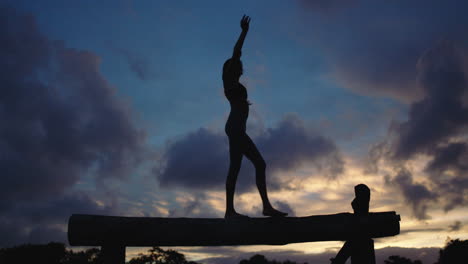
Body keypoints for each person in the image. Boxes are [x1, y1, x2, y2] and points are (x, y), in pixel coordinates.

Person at [223, 15, 287, 218]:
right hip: (235, 128)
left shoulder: (235, 85)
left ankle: (230, 211)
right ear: (231, 69)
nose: (241, 66)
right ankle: (264, 207)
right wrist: (244, 32)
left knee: (235, 167)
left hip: (235, 128)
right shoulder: (230, 81)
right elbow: (236, 52)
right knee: (259, 163)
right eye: (237, 64)